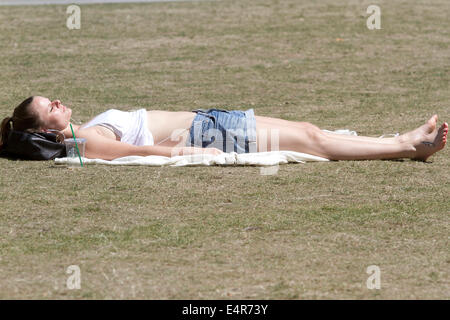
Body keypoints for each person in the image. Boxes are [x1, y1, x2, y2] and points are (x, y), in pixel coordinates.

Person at [0, 96, 448, 161]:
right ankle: (409, 148)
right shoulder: (82, 140)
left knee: (309, 129)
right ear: (45, 126)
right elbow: (121, 152)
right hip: (209, 135)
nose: (57, 101)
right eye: (49, 107)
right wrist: (179, 154)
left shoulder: (86, 129)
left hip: (212, 122)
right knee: (314, 142)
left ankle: (403, 140)